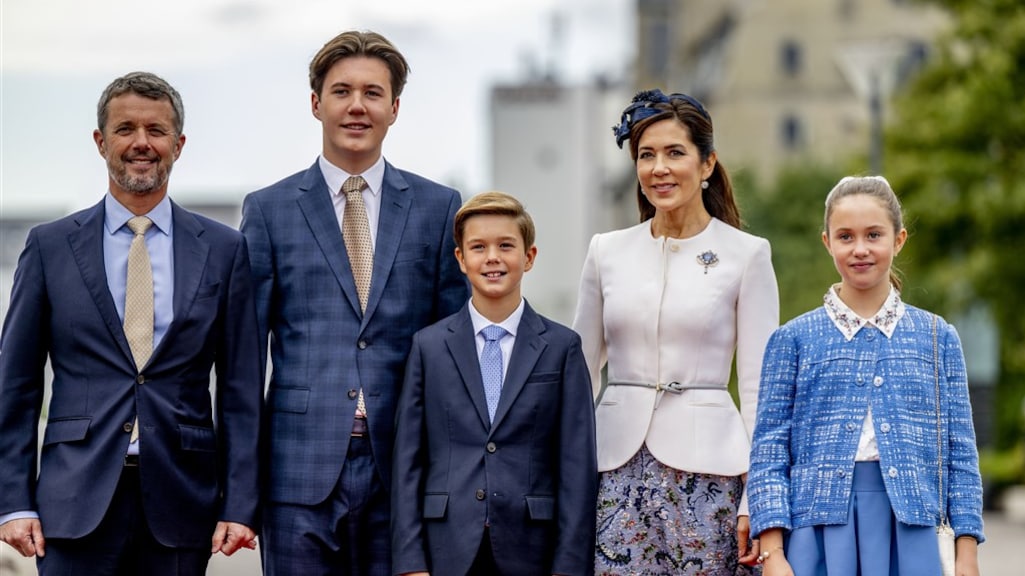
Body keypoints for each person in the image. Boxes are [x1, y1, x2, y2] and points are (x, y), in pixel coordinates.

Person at [0, 71, 262, 575]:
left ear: (178, 145)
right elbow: (17, 384)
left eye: (156, 130)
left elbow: (241, 390)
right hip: (71, 504)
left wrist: (239, 503)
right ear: (101, 142)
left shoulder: (225, 250)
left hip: (182, 501)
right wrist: (13, 501)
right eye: (125, 129)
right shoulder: (49, 247)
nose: (141, 143)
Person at [241, 30, 469, 575]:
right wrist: (238, 491)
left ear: (395, 108)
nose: (357, 106)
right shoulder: (269, 210)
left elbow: (452, 353)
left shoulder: (439, 208)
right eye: (342, 91)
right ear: (316, 103)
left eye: (373, 93)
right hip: (296, 471)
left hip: (403, 469)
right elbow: (244, 363)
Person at [572, 89, 779, 575]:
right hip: (613, 472)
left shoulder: (748, 255)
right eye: (646, 155)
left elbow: (760, 390)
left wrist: (758, 496)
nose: (659, 168)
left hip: (711, 476)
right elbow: (577, 373)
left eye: (674, 153)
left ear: (707, 164)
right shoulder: (605, 251)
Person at [747, 175, 984, 576]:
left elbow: (960, 452)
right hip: (816, 533)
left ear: (899, 239)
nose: (860, 249)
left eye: (874, 235)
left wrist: (967, 554)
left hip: (914, 531)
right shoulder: (793, 339)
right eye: (846, 237)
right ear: (827, 242)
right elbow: (769, 451)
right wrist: (773, 552)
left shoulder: (937, 337)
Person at [392, 191, 598, 576]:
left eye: (505, 245)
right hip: (446, 546)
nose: (492, 257)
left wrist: (569, 565)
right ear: (460, 259)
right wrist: (410, 563)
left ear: (529, 256)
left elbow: (577, 465)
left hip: (533, 547)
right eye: (478, 247)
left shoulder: (562, 348)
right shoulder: (428, 347)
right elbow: (408, 462)